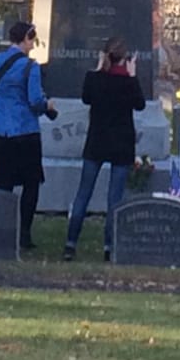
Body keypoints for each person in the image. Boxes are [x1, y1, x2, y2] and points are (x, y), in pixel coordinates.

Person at [63, 37, 145, 262]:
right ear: (125, 59)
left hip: (97, 142)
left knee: (83, 194)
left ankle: (71, 243)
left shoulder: (94, 79)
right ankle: (109, 246)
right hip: (121, 144)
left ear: (104, 56)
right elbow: (140, 104)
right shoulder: (128, 83)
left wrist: (99, 69)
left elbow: (87, 97)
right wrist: (133, 74)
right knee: (114, 199)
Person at [0, 21, 55, 251]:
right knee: (31, 184)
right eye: (32, 39)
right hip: (24, 131)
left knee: (1, 183)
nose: (33, 44)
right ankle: (23, 234)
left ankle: (0, 230)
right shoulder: (30, 67)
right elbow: (34, 101)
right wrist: (48, 106)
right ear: (25, 38)